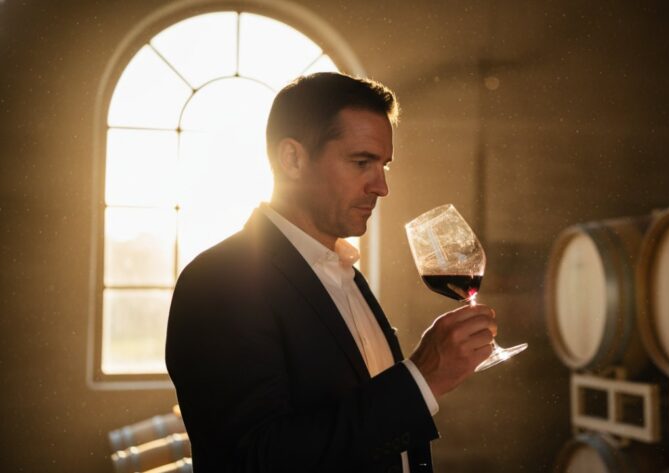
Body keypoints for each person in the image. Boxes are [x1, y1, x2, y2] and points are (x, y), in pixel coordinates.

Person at [165, 72, 497, 473]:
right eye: (362, 162)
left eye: (384, 165)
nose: (382, 187)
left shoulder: (346, 274)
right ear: (292, 159)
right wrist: (421, 377)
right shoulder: (220, 281)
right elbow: (254, 459)